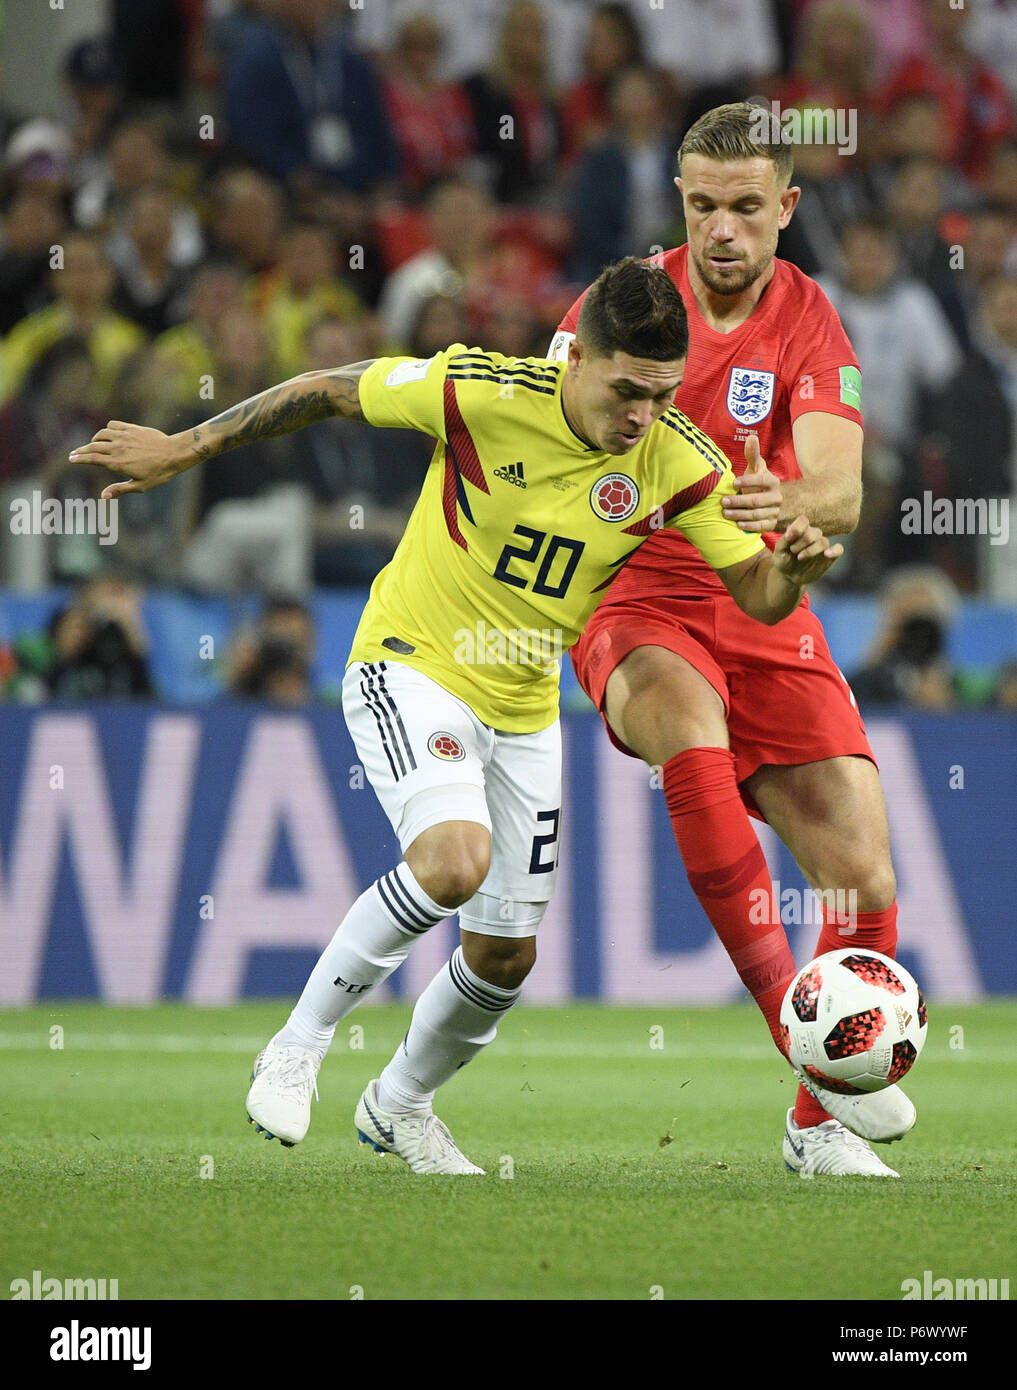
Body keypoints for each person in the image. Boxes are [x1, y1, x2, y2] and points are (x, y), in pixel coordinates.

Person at [69, 257, 843, 1174]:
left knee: (505, 956)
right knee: (452, 860)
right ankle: (298, 1045)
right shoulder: (478, 390)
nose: (642, 414)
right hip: (412, 665)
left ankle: (399, 1104)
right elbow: (329, 389)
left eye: (662, 394)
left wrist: (792, 567)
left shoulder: (674, 458)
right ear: (578, 360)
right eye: (628, 390)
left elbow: (753, 592)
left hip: (523, 709)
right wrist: (186, 448)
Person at [550, 103, 916, 1177]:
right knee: (690, 729)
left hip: (761, 584)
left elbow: (842, 490)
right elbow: (548, 449)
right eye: (703, 206)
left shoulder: (810, 319)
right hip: (637, 587)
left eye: (747, 209)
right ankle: (788, 1027)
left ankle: (816, 1127)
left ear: (787, 209)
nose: (723, 231)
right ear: (680, 203)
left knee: (862, 874)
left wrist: (790, 506)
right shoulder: (619, 306)